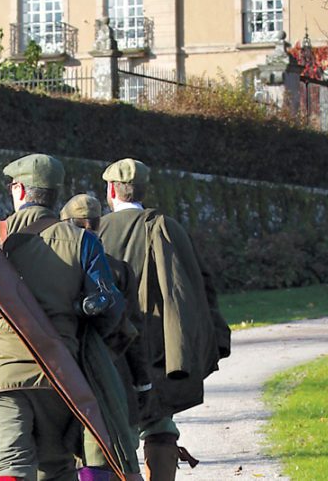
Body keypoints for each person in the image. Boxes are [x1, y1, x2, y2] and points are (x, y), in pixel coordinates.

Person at [0, 154, 123, 481]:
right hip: (60, 377)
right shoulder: (85, 242)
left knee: (10, 468)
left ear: (20, 190)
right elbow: (108, 309)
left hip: (4, 375)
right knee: (55, 469)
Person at [96, 159, 232, 481]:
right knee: (159, 422)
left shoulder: (93, 232)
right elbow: (199, 287)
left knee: (120, 427)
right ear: (142, 189)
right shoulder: (168, 228)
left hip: (110, 349)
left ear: (111, 190)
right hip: (159, 350)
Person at [60, 194, 151, 481]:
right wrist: (142, 382)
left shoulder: (52, 269)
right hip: (113, 372)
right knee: (112, 454)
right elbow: (131, 331)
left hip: (62, 370)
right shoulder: (119, 270)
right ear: (99, 226)